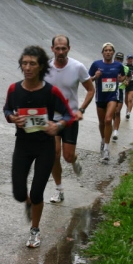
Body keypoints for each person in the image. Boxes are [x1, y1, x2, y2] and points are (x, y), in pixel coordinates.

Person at [3, 45, 75, 248]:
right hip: (23, 145)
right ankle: (27, 203)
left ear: (41, 66)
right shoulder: (14, 89)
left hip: (45, 147)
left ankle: (34, 230)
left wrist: (58, 125)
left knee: (36, 193)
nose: (27, 67)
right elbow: (7, 108)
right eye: (24, 63)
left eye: (32, 63)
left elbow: (69, 114)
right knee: (19, 193)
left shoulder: (51, 92)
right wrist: (11, 117)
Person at [43, 35, 95, 203]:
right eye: (57, 48)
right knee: (54, 155)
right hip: (52, 119)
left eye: (63, 48)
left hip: (71, 117)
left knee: (67, 156)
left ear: (68, 49)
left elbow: (90, 90)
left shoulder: (77, 67)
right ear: (52, 49)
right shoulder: (45, 68)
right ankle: (59, 190)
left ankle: (74, 159)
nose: (60, 52)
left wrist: (81, 110)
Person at [89, 42, 125, 161]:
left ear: (113, 53)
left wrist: (121, 79)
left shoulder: (118, 65)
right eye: (106, 50)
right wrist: (95, 77)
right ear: (102, 52)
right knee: (102, 122)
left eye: (110, 50)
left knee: (108, 119)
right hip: (100, 97)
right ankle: (103, 140)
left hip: (112, 96)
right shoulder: (96, 64)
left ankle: (106, 149)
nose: (108, 52)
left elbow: (122, 77)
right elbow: (88, 80)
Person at [112, 52, 131, 142]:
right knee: (112, 112)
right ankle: (114, 124)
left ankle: (115, 131)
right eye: (117, 59)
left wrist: (127, 81)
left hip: (120, 91)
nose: (118, 60)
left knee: (117, 111)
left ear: (122, 60)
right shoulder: (110, 66)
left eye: (120, 59)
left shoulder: (126, 68)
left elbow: (129, 77)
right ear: (114, 58)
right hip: (111, 91)